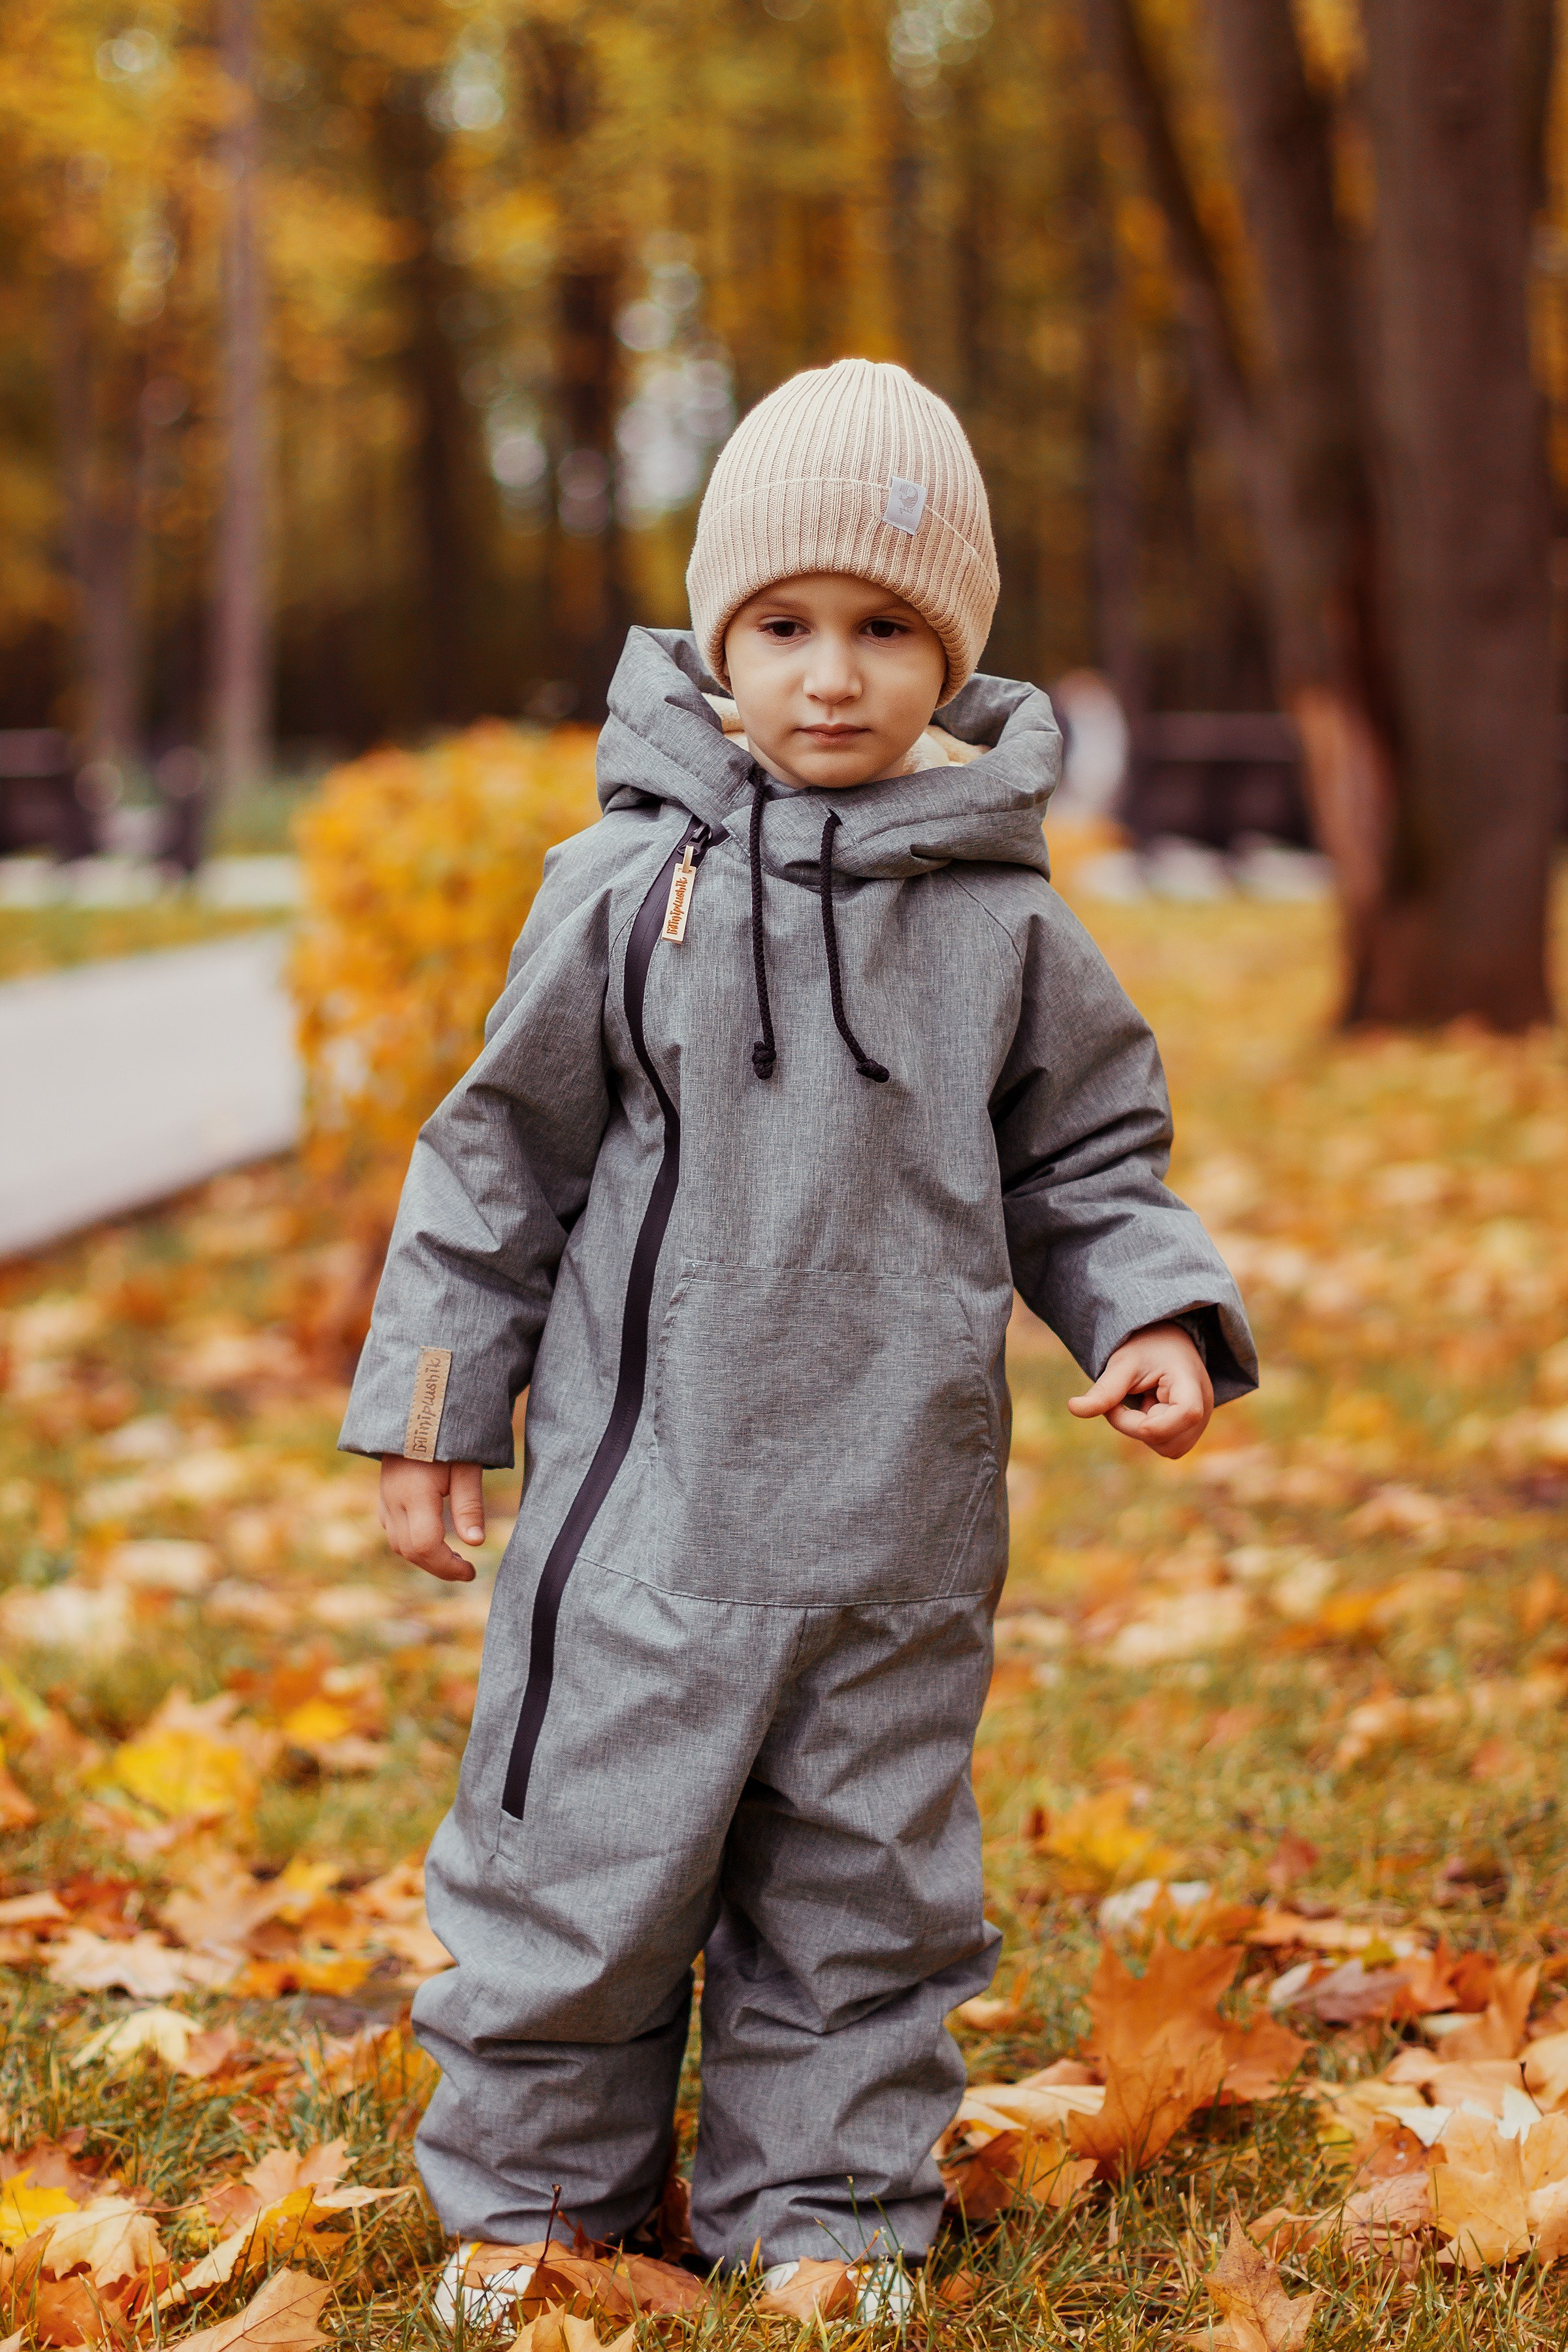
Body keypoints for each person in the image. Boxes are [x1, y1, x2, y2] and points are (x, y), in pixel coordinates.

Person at [340, 358, 1256, 2307]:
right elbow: (495, 1162)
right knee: (577, 1878)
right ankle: (540, 2208)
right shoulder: (625, 887)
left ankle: (825, 2218)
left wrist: (1157, 1311)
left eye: (884, 631)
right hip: (644, 1528)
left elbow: (1089, 1156)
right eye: (783, 627)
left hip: (893, 1542)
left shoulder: (1005, 924)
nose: (831, 677)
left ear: (953, 656)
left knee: (862, 1900)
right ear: (716, 639)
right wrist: (433, 1412)